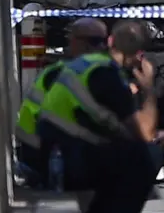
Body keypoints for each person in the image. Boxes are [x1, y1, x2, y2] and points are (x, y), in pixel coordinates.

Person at [38, 20, 159, 213]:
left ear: (110, 41)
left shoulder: (86, 66)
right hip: (66, 159)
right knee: (147, 156)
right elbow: (146, 133)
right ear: (140, 54)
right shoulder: (105, 75)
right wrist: (149, 89)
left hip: (52, 151)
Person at [15, 18, 108, 186]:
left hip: (40, 146)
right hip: (44, 150)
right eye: (97, 42)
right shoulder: (64, 73)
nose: (102, 47)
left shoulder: (62, 71)